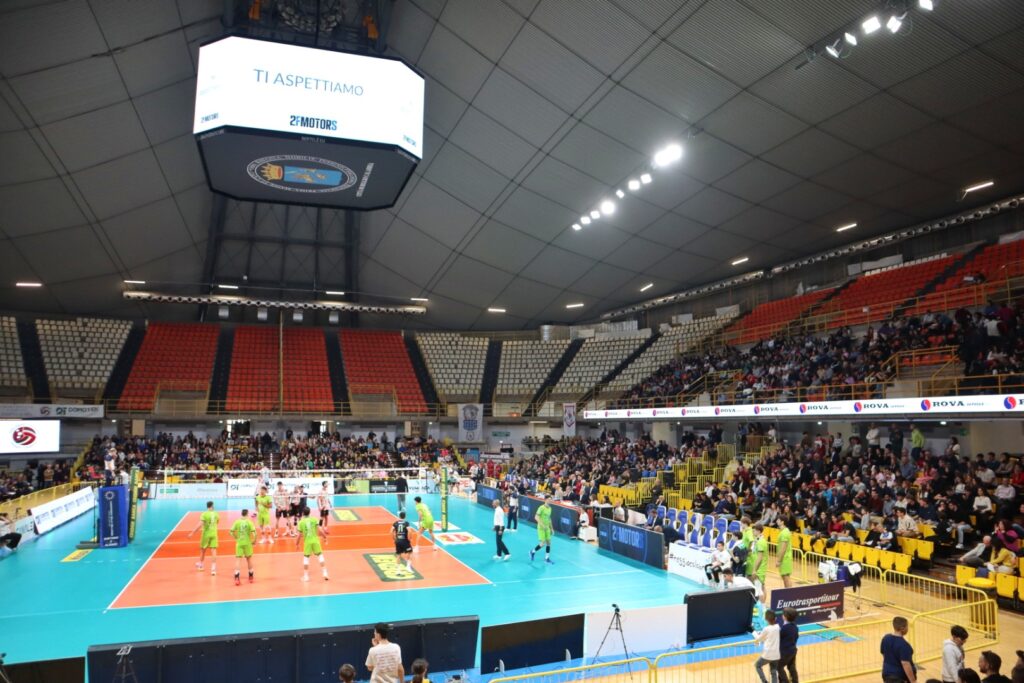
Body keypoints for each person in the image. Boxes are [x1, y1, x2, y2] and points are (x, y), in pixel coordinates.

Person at [295, 506, 329, 581]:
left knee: (306, 558)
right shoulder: (314, 519)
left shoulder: (301, 522)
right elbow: (320, 530)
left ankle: (306, 576)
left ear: (303, 513)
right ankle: (325, 573)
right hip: (315, 541)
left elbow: (299, 535)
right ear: (309, 512)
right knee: (320, 556)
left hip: (307, 542)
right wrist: (325, 537)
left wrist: (296, 544)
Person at [880, 616, 917, 683]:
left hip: (886, 674)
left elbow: (883, 653)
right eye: (907, 626)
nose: (907, 628)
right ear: (902, 628)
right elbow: (905, 663)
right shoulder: (904, 645)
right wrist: (913, 681)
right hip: (899, 677)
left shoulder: (885, 638)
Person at [188, 500, 219, 575]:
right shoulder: (216, 514)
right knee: (213, 550)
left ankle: (201, 565)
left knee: (203, 550)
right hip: (214, 533)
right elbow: (217, 522)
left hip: (206, 534)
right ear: (212, 505)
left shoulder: (204, 514)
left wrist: (192, 533)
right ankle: (213, 569)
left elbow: (200, 525)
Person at [753, 609, 780, 683]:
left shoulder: (766, 629)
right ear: (775, 618)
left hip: (767, 654)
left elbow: (759, 638)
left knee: (757, 665)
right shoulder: (778, 627)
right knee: (773, 671)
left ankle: (764, 681)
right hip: (776, 654)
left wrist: (756, 641)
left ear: (765, 619)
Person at [230, 508, 256, 585]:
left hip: (239, 543)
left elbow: (231, 532)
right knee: (249, 559)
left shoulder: (237, 522)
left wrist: (236, 538)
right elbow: (254, 533)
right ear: (247, 514)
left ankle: (237, 577)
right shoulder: (249, 522)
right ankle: (251, 576)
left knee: (238, 560)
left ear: (241, 513)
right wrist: (254, 540)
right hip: (247, 543)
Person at [530, 495, 554, 564]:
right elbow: (536, 517)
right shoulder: (541, 508)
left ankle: (547, 558)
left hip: (547, 528)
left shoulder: (550, 508)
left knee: (549, 543)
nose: (550, 501)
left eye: (551, 500)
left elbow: (549, 519)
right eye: (549, 499)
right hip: (541, 528)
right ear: (545, 500)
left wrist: (551, 528)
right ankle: (532, 551)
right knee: (542, 544)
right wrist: (542, 525)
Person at [777, 607, 799, 683]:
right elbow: (796, 637)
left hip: (785, 652)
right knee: (791, 667)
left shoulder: (784, 628)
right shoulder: (795, 627)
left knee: (778, 666)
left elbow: (778, 638)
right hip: (793, 651)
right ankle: (795, 681)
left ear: (785, 617)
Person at [752, 523, 769, 596]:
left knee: (759, 589)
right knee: (762, 587)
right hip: (760, 567)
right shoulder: (759, 540)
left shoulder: (761, 542)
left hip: (760, 568)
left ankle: (762, 606)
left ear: (758, 531)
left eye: (754, 531)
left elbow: (760, 557)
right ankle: (763, 605)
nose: (753, 532)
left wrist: (754, 570)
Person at [776, 519, 793, 589]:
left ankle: (789, 595)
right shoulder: (783, 531)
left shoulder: (785, 532)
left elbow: (783, 548)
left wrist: (779, 561)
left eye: (778, 520)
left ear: (782, 521)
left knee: (786, 577)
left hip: (785, 558)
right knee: (784, 576)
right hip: (784, 558)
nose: (777, 521)